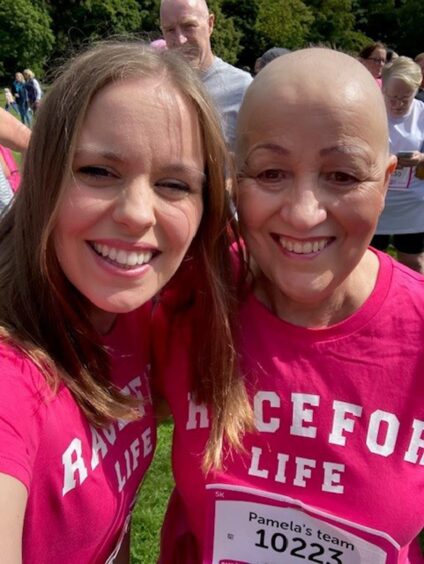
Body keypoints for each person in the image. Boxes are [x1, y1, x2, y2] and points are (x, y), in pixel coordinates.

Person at [156, 48, 424, 563]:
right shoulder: (189, 294)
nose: (303, 214)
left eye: (343, 176)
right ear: (238, 177)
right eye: (272, 173)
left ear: (386, 182)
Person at [0, 40, 237, 562]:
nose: (135, 214)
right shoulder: (12, 373)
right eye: (98, 172)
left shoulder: (127, 309)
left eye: (174, 183)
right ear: (42, 176)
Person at [160, 0, 252, 148]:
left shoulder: (243, 90)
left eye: (189, 26)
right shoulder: (155, 87)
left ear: (210, 24)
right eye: (170, 30)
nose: (180, 40)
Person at [371, 56, 424, 272]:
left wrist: (421, 159)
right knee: (372, 262)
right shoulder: (370, 109)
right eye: (392, 97)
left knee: (414, 263)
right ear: (383, 87)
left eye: (405, 98)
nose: (398, 104)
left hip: (412, 202)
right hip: (377, 201)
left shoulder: (422, 112)